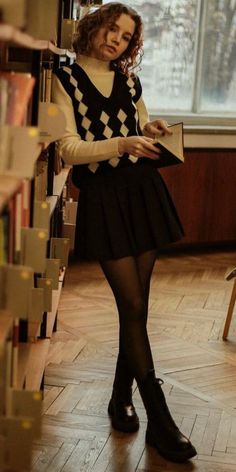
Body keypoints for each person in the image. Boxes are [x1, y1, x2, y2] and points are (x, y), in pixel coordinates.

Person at [52, 2, 197, 463]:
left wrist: (148, 129)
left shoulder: (130, 80)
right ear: (94, 27)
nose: (116, 39)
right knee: (131, 304)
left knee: (137, 308)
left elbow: (139, 125)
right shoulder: (64, 78)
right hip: (105, 199)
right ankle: (159, 417)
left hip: (142, 191)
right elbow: (69, 149)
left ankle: (120, 398)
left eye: (126, 36)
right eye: (111, 29)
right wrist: (122, 142)